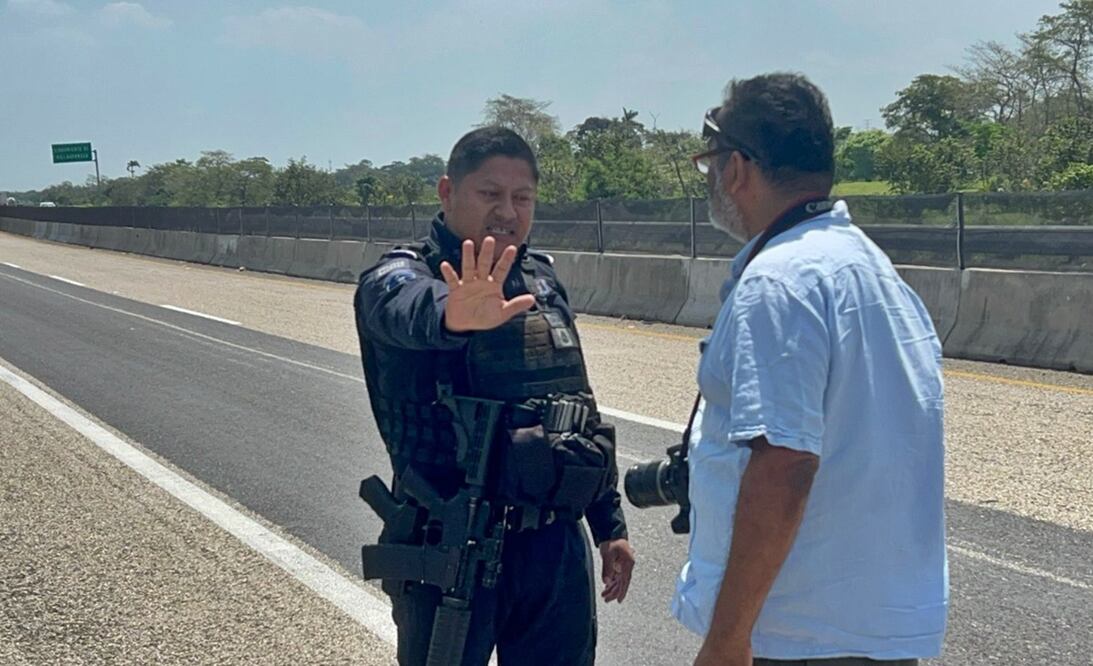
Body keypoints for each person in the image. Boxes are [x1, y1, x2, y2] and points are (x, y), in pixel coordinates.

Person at [673, 73, 948, 666]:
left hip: (796, 636)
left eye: (709, 164)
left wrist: (726, 640)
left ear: (737, 168)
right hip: (873, 630)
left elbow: (785, 463)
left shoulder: (778, 282)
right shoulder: (874, 271)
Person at [354, 127, 635, 666]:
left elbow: (576, 406)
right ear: (447, 192)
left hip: (553, 546)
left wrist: (609, 525)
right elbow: (403, 307)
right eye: (490, 194)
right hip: (452, 547)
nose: (507, 211)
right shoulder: (401, 275)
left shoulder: (541, 281)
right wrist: (453, 314)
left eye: (522, 197)